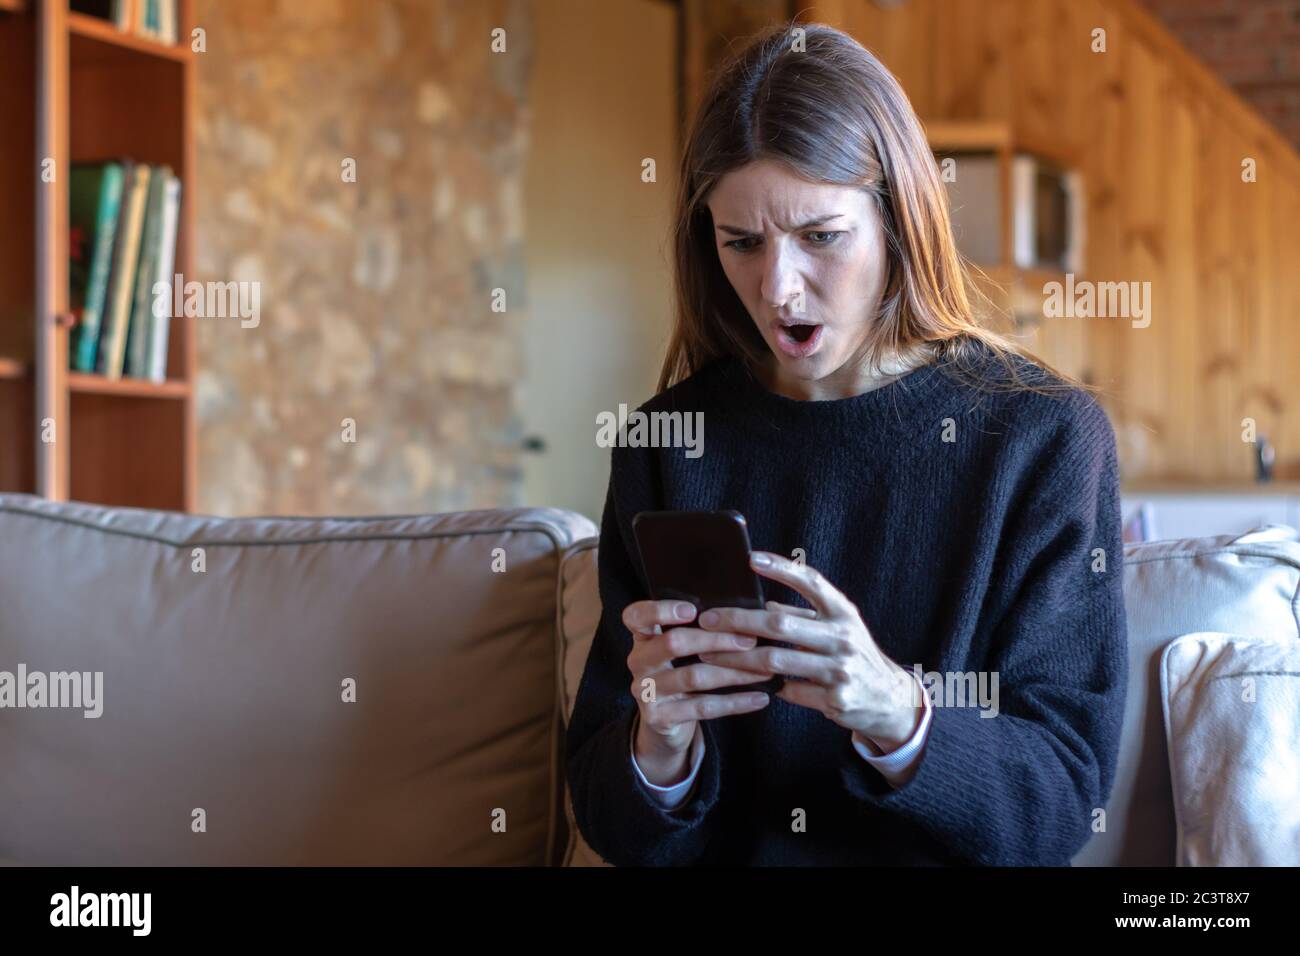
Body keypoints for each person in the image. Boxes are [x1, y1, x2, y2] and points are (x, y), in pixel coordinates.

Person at [564, 20, 1127, 866]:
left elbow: (1057, 810)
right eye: (741, 243)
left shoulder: (1040, 439)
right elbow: (611, 824)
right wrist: (659, 747)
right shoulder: (664, 444)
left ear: (898, 222)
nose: (778, 287)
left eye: (821, 236)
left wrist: (896, 713)